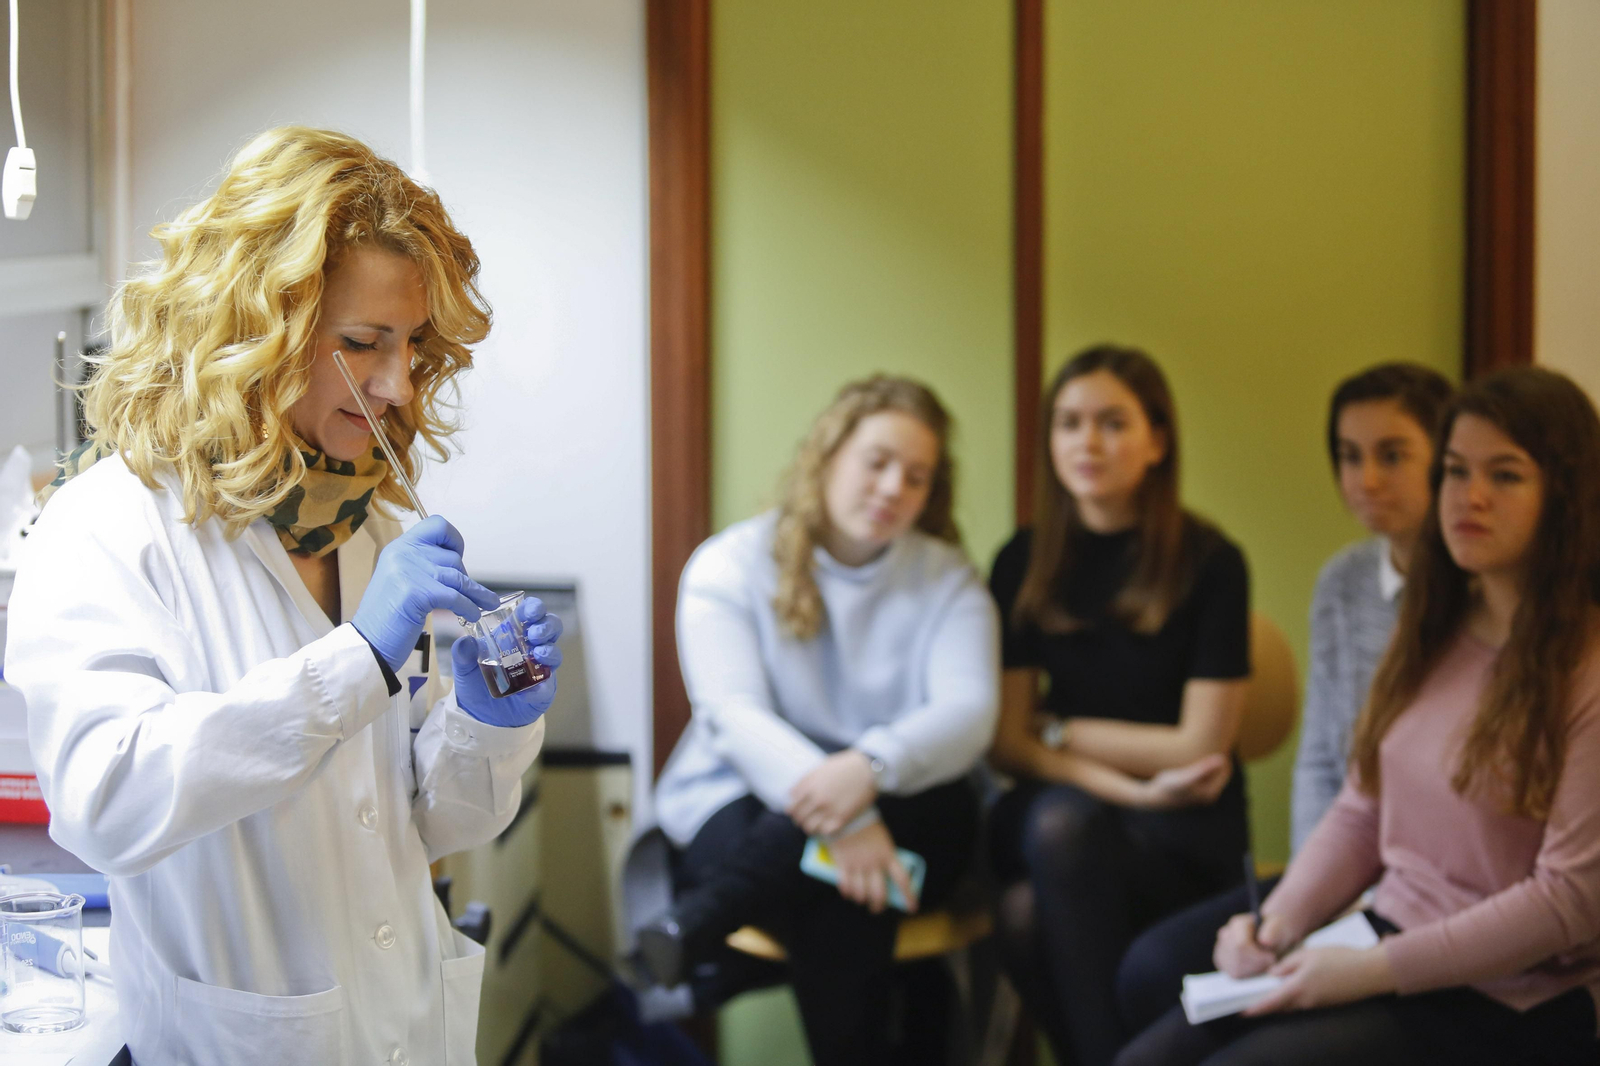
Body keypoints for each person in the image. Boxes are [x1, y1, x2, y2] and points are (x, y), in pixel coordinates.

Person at [5, 127, 562, 1065]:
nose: (392, 384)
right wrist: (357, 661)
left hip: (406, 1028)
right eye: (360, 344)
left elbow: (426, 823)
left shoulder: (368, 523)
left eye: (411, 346)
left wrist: (485, 721)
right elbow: (106, 803)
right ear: (250, 328)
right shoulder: (112, 525)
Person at [1116, 366, 1600, 1066]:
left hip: (1510, 995)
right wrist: (1278, 924)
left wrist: (1371, 969)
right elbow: (1361, 808)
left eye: (1506, 475)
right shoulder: (1433, 628)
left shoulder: (1584, 666)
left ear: (1566, 494)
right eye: (1457, 471)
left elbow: (1569, 901)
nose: (1471, 497)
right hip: (1388, 934)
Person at [641, 376, 1000, 1066]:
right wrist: (850, 821)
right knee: (845, 894)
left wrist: (867, 774)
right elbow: (732, 718)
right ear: (827, 456)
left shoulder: (949, 578)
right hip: (747, 799)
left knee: (858, 866)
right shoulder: (729, 565)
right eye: (878, 462)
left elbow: (968, 715)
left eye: (917, 476)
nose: (895, 486)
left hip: (902, 803)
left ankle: (697, 922)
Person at [1116, 362, 1453, 1034]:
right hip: (1341, 872)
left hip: (1427, 894)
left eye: (1393, 455)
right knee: (1151, 969)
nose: (1368, 479)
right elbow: (1324, 760)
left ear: (1448, 459)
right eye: (1349, 457)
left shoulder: (1482, 598)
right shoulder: (1344, 580)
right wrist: (1310, 894)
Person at [987, 344, 1252, 1066]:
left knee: (1025, 915)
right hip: (1073, 809)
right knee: (1058, 834)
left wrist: (1063, 729)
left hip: (1182, 822)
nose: (1087, 443)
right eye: (1069, 423)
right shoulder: (1022, 559)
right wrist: (1124, 781)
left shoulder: (1210, 562)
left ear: (1158, 441)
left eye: (1112, 422)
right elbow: (1006, 743)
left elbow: (1199, 745)